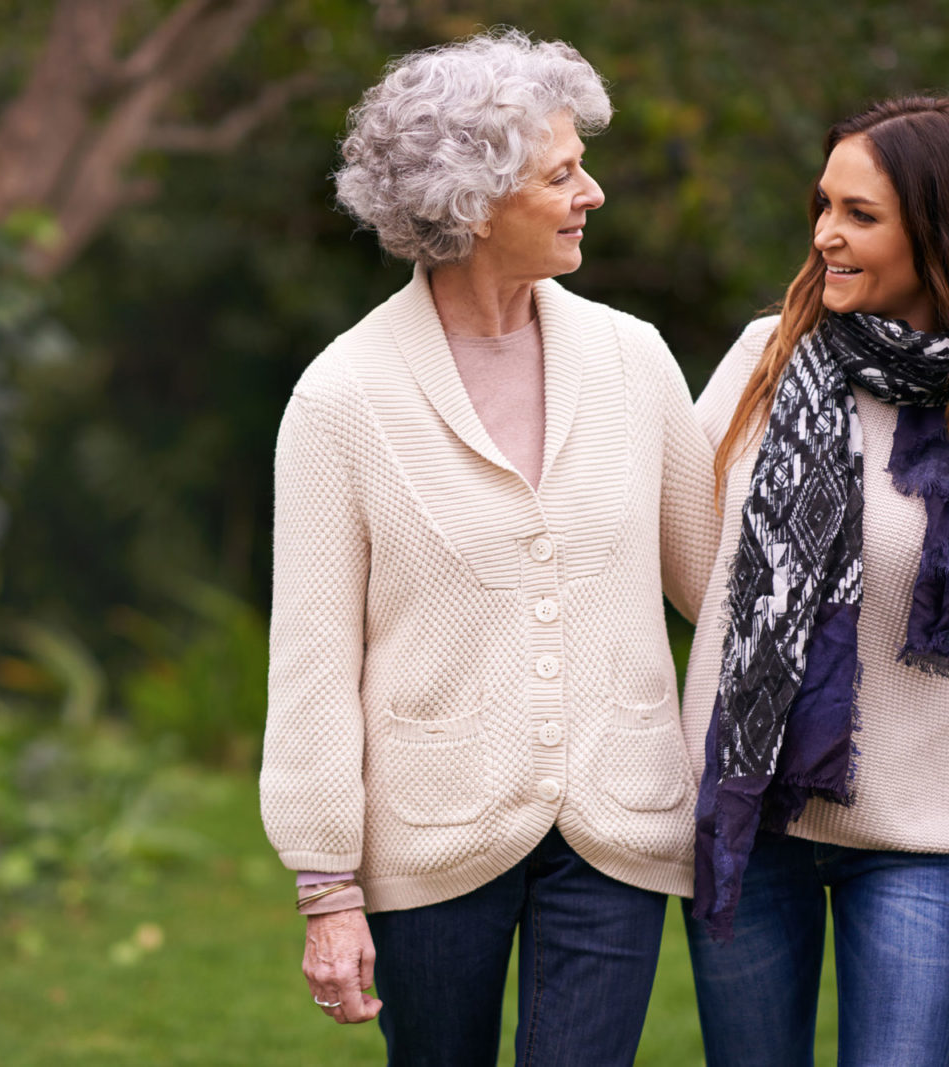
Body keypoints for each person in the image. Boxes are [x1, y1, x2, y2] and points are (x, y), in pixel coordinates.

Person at [259, 29, 719, 1064]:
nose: (591, 191)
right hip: (429, 832)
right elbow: (314, 661)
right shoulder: (341, 398)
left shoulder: (632, 357)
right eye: (562, 173)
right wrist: (326, 886)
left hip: (619, 819)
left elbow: (718, 580)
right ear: (470, 200)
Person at [680, 95, 949, 1066]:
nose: (824, 235)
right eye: (822, 205)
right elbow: (690, 560)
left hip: (913, 847)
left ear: (941, 230)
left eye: (858, 214)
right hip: (749, 814)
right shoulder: (763, 360)